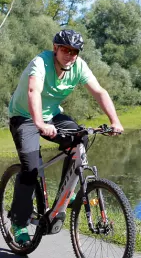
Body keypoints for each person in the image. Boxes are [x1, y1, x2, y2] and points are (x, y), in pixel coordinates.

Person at [7, 28, 123, 242]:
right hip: (24, 117)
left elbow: (99, 92)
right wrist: (39, 123)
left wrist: (115, 121)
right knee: (31, 169)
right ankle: (19, 222)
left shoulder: (78, 66)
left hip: (52, 116)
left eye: (74, 51)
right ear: (55, 48)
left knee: (81, 137)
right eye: (65, 50)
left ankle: (64, 196)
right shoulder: (40, 63)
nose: (70, 55)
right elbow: (34, 91)